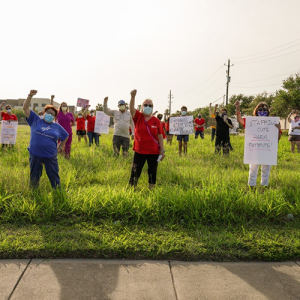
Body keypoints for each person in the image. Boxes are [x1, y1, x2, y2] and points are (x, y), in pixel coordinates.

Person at [23, 90, 69, 188]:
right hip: (35, 154)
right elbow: (25, 108)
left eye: (52, 114)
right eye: (48, 112)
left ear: (54, 117)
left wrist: (60, 147)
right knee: (34, 176)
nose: (50, 115)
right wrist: (30, 95)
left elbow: (66, 136)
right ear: (44, 112)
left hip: (50, 155)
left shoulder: (56, 126)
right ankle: (34, 192)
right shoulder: (35, 120)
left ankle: (57, 193)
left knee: (54, 176)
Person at [235, 100, 281, 187]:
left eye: (264, 110)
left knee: (266, 171)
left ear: (268, 111)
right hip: (254, 151)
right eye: (260, 109)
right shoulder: (251, 121)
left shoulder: (273, 122)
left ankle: (264, 188)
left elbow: (277, 138)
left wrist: (278, 129)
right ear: (256, 110)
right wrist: (238, 108)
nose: (262, 111)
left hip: (267, 150)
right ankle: (251, 188)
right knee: (252, 171)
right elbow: (239, 119)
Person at [129, 89, 165, 189]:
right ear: (142, 107)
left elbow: (160, 136)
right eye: (145, 105)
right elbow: (131, 109)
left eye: (150, 105)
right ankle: (132, 190)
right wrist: (132, 97)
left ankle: (151, 191)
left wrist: (162, 151)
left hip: (153, 152)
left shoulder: (156, 121)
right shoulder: (138, 117)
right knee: (135, 171)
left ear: (152, 108)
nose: (147, 107)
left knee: (152, 172)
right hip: (139, 151)